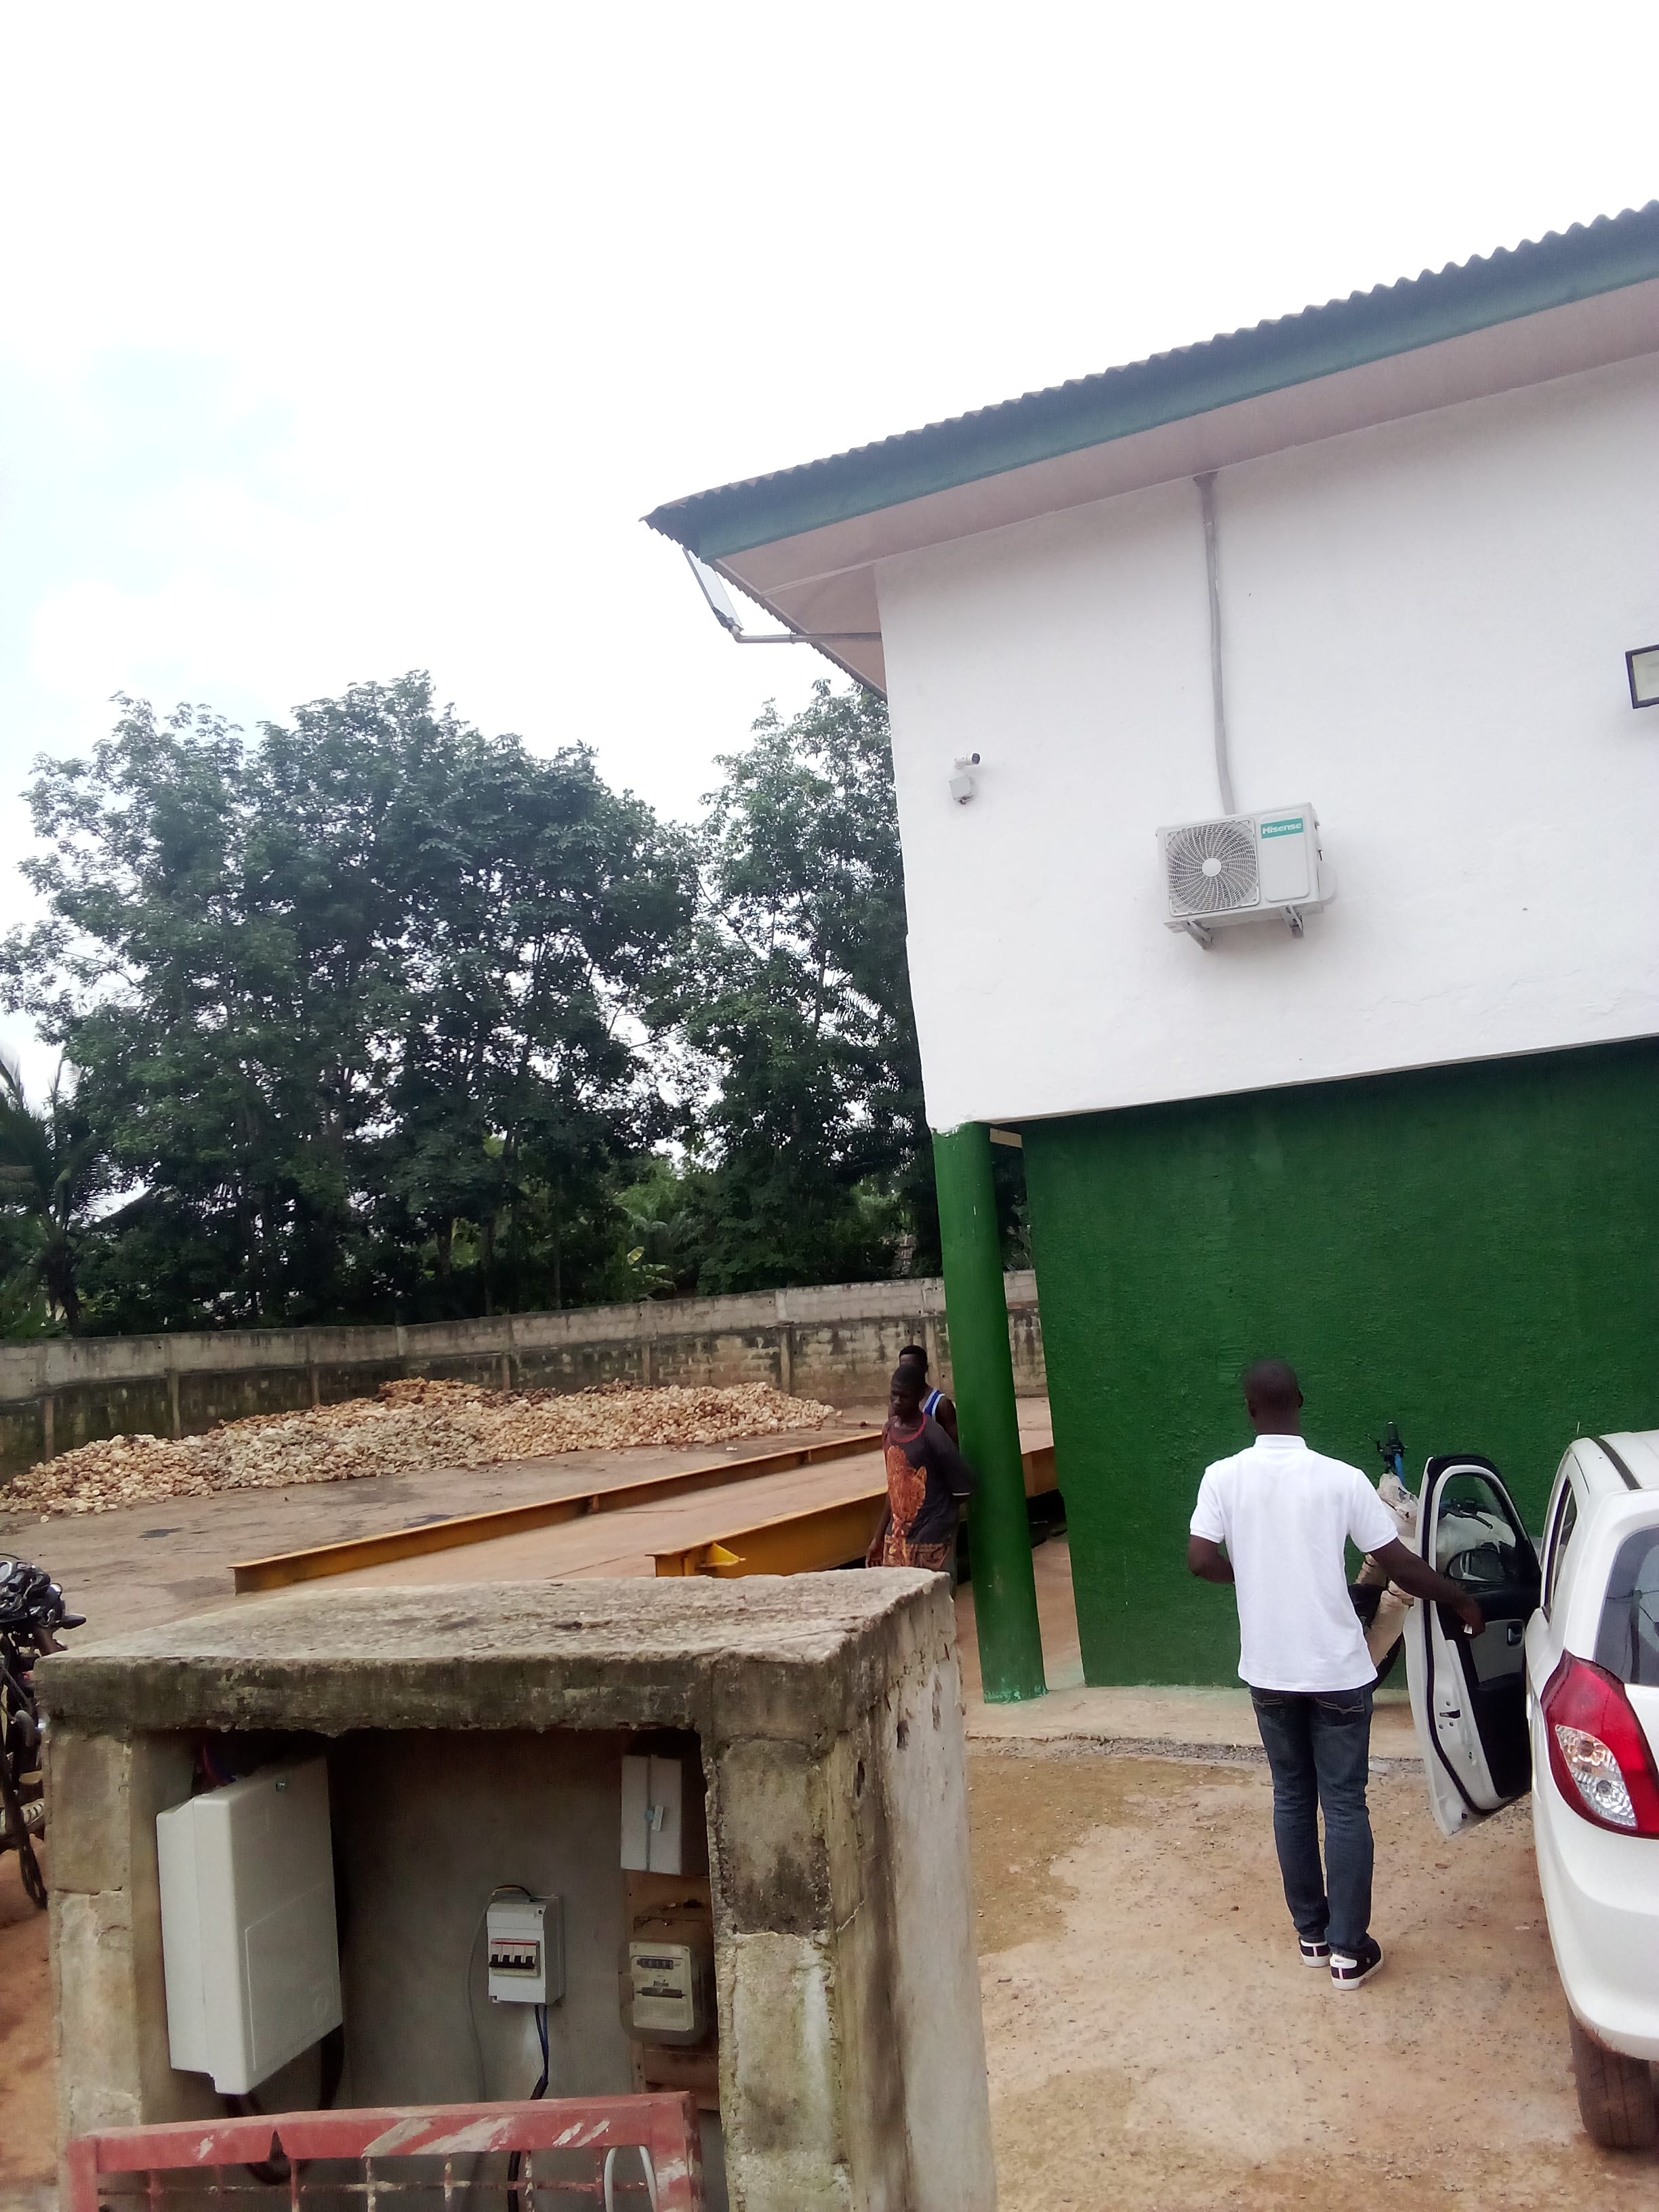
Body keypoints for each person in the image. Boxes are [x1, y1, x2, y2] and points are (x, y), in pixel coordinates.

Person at [1187, 1357, 1483, 1991]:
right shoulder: (1341, 1480)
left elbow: (1200, 1559)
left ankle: (1313, 1936)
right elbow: (1400, 1566)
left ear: (1250, 1409)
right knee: (1344, 1803)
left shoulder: (1222, 1477)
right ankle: (1351, 1952)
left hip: (1268, 1671)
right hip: (1337, 1674)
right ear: (1300, 1401)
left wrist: (1252, 1574)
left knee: (1291, 1796)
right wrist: (1460, 1598)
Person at [867, 1365, 977, 1570]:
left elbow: (965, 1486)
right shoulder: (889, 1431)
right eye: (894, 1395)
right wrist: (879, 1537)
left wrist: (936, 1511)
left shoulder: (933, 1435)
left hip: (931, 1542)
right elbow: (893, 1488)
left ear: (919, 1396)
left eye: (904, 1397)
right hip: (897, 1541)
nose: (897, 1401)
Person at [896, 1344, 959, 1442]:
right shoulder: (896, 1404)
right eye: (903, 1368)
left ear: (926, 1368)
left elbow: (954, 1444)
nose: (908, 1372)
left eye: (913, 1368)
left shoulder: (941, 1405)